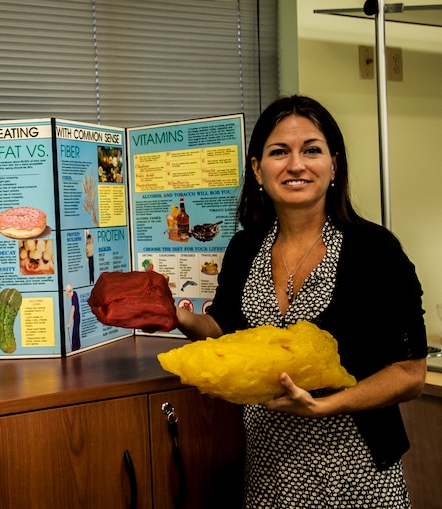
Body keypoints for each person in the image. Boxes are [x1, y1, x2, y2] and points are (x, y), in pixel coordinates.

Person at [176, 95, 427, 508]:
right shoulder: (245, 247)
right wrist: (178, 319)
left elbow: (410, 373)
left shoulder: (375, 251)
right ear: (258, 169)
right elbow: (223, 328)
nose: (296, 165)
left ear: (334, 164)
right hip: (268, 468)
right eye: (279, 152)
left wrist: (326, 405)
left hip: (355, 473)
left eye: (312, 150)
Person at [65, 284, 81, 351]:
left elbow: (73, 310)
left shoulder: (73, 296)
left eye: (67, 294)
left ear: (69, 292)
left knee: (75, 332)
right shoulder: (75, 293)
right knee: (76, 331)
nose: (67, 295)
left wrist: (69, 323)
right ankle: (77, 346)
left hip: (76, 317)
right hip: (77, 317)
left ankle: (75, 347)